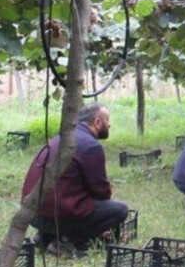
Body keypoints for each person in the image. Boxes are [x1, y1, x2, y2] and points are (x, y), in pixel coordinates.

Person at [22, 102, 129, 257]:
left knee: (66, 201)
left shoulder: (60, 138)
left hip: (33, 214)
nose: (109, 124)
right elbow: (101, 193)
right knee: (119, 210)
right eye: (107, 119)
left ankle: (44, 237)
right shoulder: (91, 146)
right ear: (97, 122)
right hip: (54, 217)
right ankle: (65, 241)